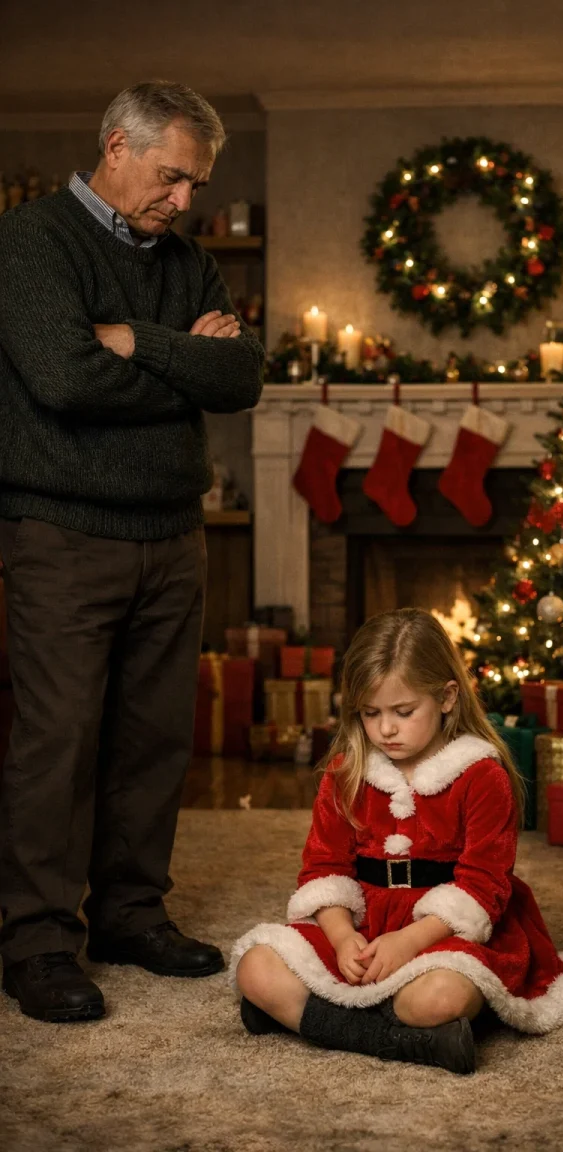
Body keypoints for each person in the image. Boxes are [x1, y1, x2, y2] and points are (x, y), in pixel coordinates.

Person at [0, 81, 264, 1023]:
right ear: (116, 146)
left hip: (171, 534)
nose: (185, 201)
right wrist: (178, 359)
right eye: (172, 177)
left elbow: (241, 378)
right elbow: (65, 380)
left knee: (155, 739)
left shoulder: (186, 261)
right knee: (58, 740)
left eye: (196, 184)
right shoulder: (31, 243)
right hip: (63, 535)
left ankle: (128, 914)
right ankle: (35, 941)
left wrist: (134, 343)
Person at [231, 609, 563, 1075]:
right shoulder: (347, 774)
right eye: (370, 713)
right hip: (362, 924)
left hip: (446, 931)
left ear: (446, 697)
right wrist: (342, 940)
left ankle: (306, 1017)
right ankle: (413, 1042)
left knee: (439, 996)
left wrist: (408, 942)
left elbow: (484, 887)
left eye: (404, 712)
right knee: (255, 968)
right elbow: (324, 871)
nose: (386, 729)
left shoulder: (481, 776)